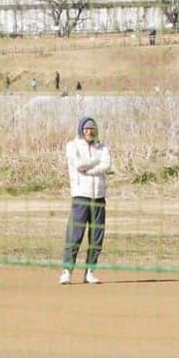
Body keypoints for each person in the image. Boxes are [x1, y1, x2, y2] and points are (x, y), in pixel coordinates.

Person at [59, 116, 111, 286]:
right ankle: (67, 271)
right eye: (87, 128)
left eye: (92, 128)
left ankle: (90, 271)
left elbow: (107, 165)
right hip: (81, 195)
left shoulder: (102, 147)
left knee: (96, 237)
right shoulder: (72, 146)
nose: (90, 131)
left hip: (99, 197)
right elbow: (79, 164)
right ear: (81, 130)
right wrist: (95, 163)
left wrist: (91, 168)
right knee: (75, 235)